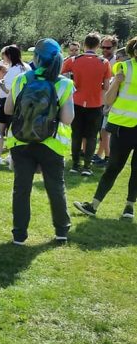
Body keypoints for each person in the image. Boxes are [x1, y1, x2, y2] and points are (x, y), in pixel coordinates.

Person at [4, 39, 74, 244]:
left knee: (21, 189)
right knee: (56, 187)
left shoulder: (21, 80)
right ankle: (61, 231)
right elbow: (68, 119)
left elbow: (8, 109)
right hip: (51, 143)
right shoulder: (64, 83)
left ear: (36, 58)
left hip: (21, 141)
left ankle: (19, 235)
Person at [74, 35, 137, 221]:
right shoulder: (123, 67)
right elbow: (108, 100)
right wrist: (117, 82)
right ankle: (93, 206)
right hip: (122, 127)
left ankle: (129, 208)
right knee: (113, 167)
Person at [61, 32, 112, 176]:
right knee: (91, 136)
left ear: (84, 44)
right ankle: (87, 167)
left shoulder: (74, 60)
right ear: (98, 46)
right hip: (95, 103)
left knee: (76, 134)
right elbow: (107, 86)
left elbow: (59, 72)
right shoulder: (104, 62)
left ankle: (75, 164)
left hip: (76, 102)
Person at [93, 35, 120, 167]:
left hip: (112, 100)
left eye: (108, 47)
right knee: (102, 130)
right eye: (102, 47)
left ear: (114, 47)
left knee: (105, 130)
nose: (104, 49)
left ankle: (103, 156)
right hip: (101, 99)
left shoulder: (117, 62)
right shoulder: (101, 60)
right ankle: (99, 154)